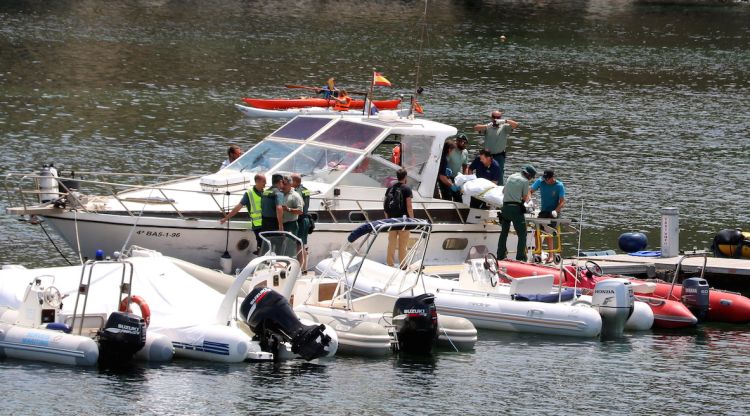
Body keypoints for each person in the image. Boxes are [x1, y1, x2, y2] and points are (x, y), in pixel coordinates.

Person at [497, 164, 537, 262]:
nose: (531, 179)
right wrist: (529, 199)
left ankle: (500, 256)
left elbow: (503, 191)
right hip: (515, 209)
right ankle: (521, 258)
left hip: (505, 208)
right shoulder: (525, 181)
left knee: (504, 233)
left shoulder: (511, 176)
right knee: (522, 234)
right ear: (529, 175)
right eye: (531, 177)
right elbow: (525, 198)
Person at [219, 173, 266, 255]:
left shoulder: (265, 192)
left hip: (267, 224)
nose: (265, 184)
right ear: (257, 182)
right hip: (258, 225)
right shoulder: (249, 194)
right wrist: (226, 218)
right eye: (264, 182)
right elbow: (238, 207)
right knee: (262, 246)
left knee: (266, 246)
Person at [473, 111, 519, 185]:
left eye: (498, 118)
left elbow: (516, 125)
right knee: (484, 174)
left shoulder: (504, 127)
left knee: (499, 175)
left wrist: (505, 121)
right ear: (491, 118)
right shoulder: (488, 126)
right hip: (487, 156)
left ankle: (499, 190)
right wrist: (487, 126)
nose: (495, 119)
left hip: (499, 156)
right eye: (494, 117)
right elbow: (475, 128)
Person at [530, 169, 566, 261]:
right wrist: (529, 201)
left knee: (548, 232)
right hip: (544, 211)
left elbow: (562, 202)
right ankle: (538, 253)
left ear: (553, 178)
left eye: (548, 179)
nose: (546, 180)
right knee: (537, 231)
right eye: (545, 178)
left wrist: (556, 211)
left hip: (554, 212)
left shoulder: (559, 185)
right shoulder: (540, 181)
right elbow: (530, 191)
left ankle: (551, 256)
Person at [383, 168, 414, 268]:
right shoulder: (407, 189)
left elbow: (385, 204)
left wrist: (387, 218)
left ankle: (390, 264)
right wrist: (412, 219)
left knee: (391, 244)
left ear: (397, 176)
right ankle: (403, 265)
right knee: (402, 245)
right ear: (405, 177)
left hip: (392, 220)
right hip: (404, 221)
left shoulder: (390, 187)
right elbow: (409, 206)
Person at [291, 173, 311, 269]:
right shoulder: (305, 190)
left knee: (299, 245)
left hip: (300, 220)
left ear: (295, 181)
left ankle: (301, 269)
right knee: (301, 244)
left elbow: (298, 206)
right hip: (304, 219)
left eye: (291, 180)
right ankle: (303, 268)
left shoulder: (298, 192)